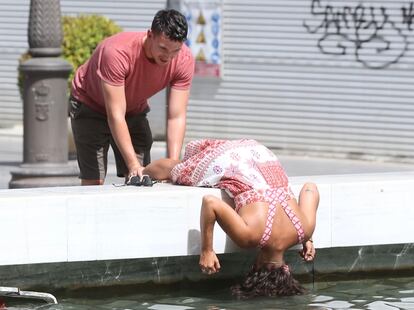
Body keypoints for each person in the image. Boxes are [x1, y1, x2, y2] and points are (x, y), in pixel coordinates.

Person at [142, 138, 320, 298]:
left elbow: (310, 188)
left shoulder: (303, 228)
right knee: (179, 171)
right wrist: (207, 250)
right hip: (230, 161)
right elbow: (210, 203)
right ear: (254, 268)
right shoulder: (249, 238)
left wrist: (307, 237)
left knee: (189, 167)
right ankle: (140, 170)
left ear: (287, 269)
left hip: (261, 155)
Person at [69, 9, 195, 185]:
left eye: (175, 50)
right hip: (90, 104)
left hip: (133, 107)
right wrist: (132, 164)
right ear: (150, 35)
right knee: (95, 180)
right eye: (163, 48)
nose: (168, 56)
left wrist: (171, 166)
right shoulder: (117, 52)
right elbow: (115, 114)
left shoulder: (184, 59)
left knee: (144, 175)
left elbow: (176, 116)